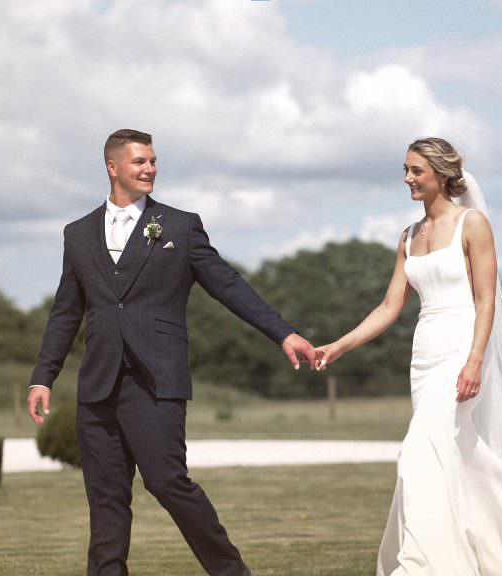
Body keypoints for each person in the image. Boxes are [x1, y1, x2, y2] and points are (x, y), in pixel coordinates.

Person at [314, 137, 502, 575]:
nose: (407, 179)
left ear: (441, 174)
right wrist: (338, 346)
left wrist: (474, 361)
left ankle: (420, 565)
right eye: (405, 169)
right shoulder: (408, 237)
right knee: (460, 457)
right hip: (424, 356)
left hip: (462, 348)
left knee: (419, 450)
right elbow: (388, 307)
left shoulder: (472, 225)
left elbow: (486, 299)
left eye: (416, 170)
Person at [27, 128, 316, 576]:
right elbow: (66, 312)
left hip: (156, 380)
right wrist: (43, 375)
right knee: (105, 500)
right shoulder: (77, 234)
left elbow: (227, 284)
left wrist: (282, 332)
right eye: (140, 162)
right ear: (112, 167)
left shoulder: (180, 226)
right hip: (98, 384)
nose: (150, 169)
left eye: (153, 161)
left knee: (167, 482)